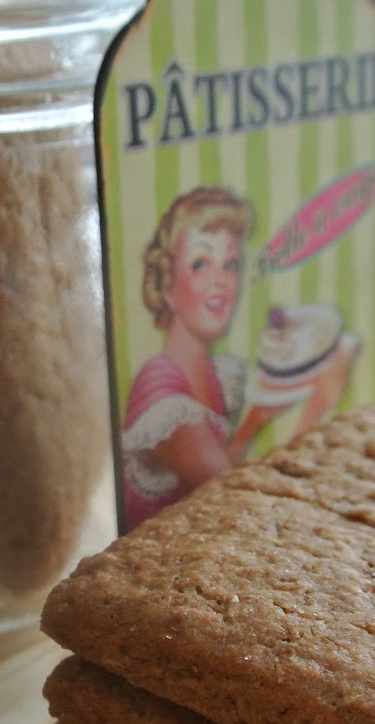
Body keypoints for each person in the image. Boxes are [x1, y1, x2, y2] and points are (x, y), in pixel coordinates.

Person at [121, 186, 252, 527]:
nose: (221, 282)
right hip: (151, 572)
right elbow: (236, 497)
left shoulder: (218, 375)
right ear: (166, 286)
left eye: (231, 263)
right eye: (200, 264)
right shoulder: (159, 387)